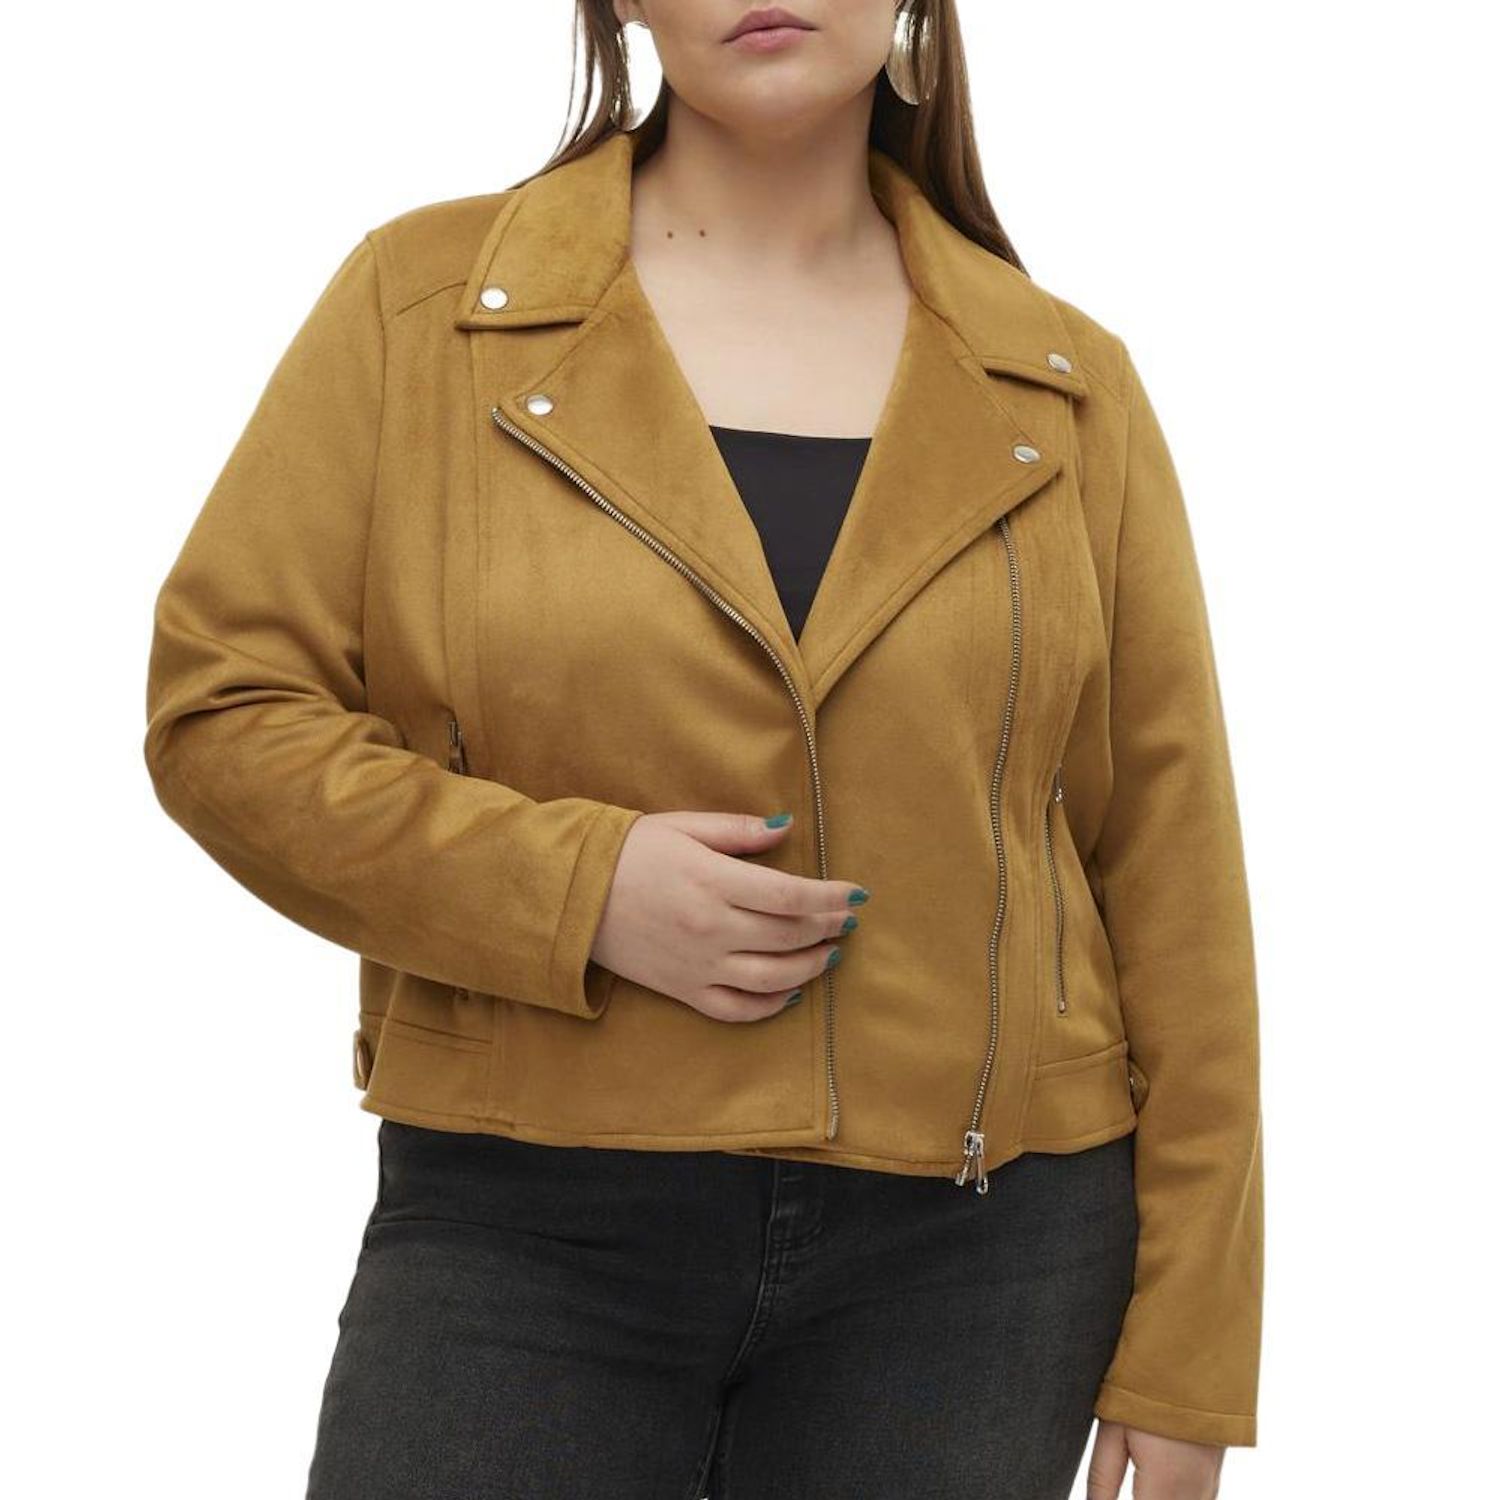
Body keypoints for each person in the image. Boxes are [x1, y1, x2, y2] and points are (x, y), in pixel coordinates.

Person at [142, 3, 1264, 1496]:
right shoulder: (428, 312)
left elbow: (1172, 872)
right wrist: (579, 891)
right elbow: (224, 711)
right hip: (523, 1222)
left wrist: (1191, 1353)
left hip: (984, 1263)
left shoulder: (1064, 382)